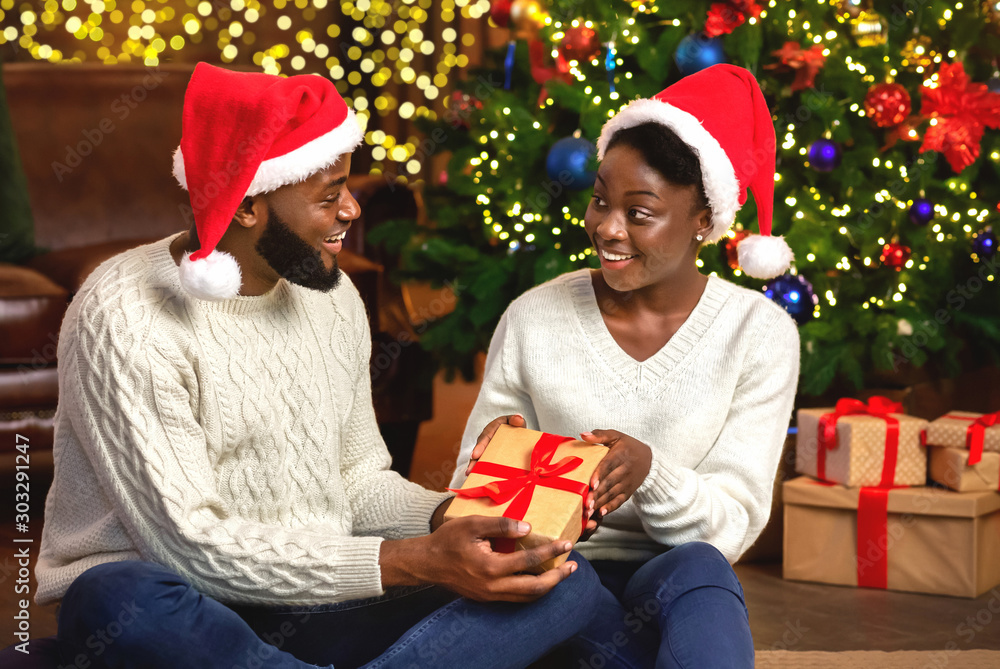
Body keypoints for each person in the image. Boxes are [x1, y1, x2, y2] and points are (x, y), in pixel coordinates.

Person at [0, 63, 609, 669]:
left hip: (314, 599)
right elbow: (189, 543)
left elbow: (359, 480)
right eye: (328, 196)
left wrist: (458, 520)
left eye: (347, 188)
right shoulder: (125, 313)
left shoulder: (332, 296)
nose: (351, 210)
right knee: (116, 598)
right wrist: (412, 559)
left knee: (565, 583)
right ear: (245, 207)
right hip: (184, 600)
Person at [451, 64, 801, 668]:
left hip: (675, 577)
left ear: (703, 222)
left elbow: (734, 525)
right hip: (553, 572)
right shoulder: (534, 317)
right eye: (599, 201)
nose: (607, 228)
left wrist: (651, 473)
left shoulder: (759, 332)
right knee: (570, 587)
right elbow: (470, 488)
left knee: (701, 572)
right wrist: (510, 475)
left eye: (639, 213)